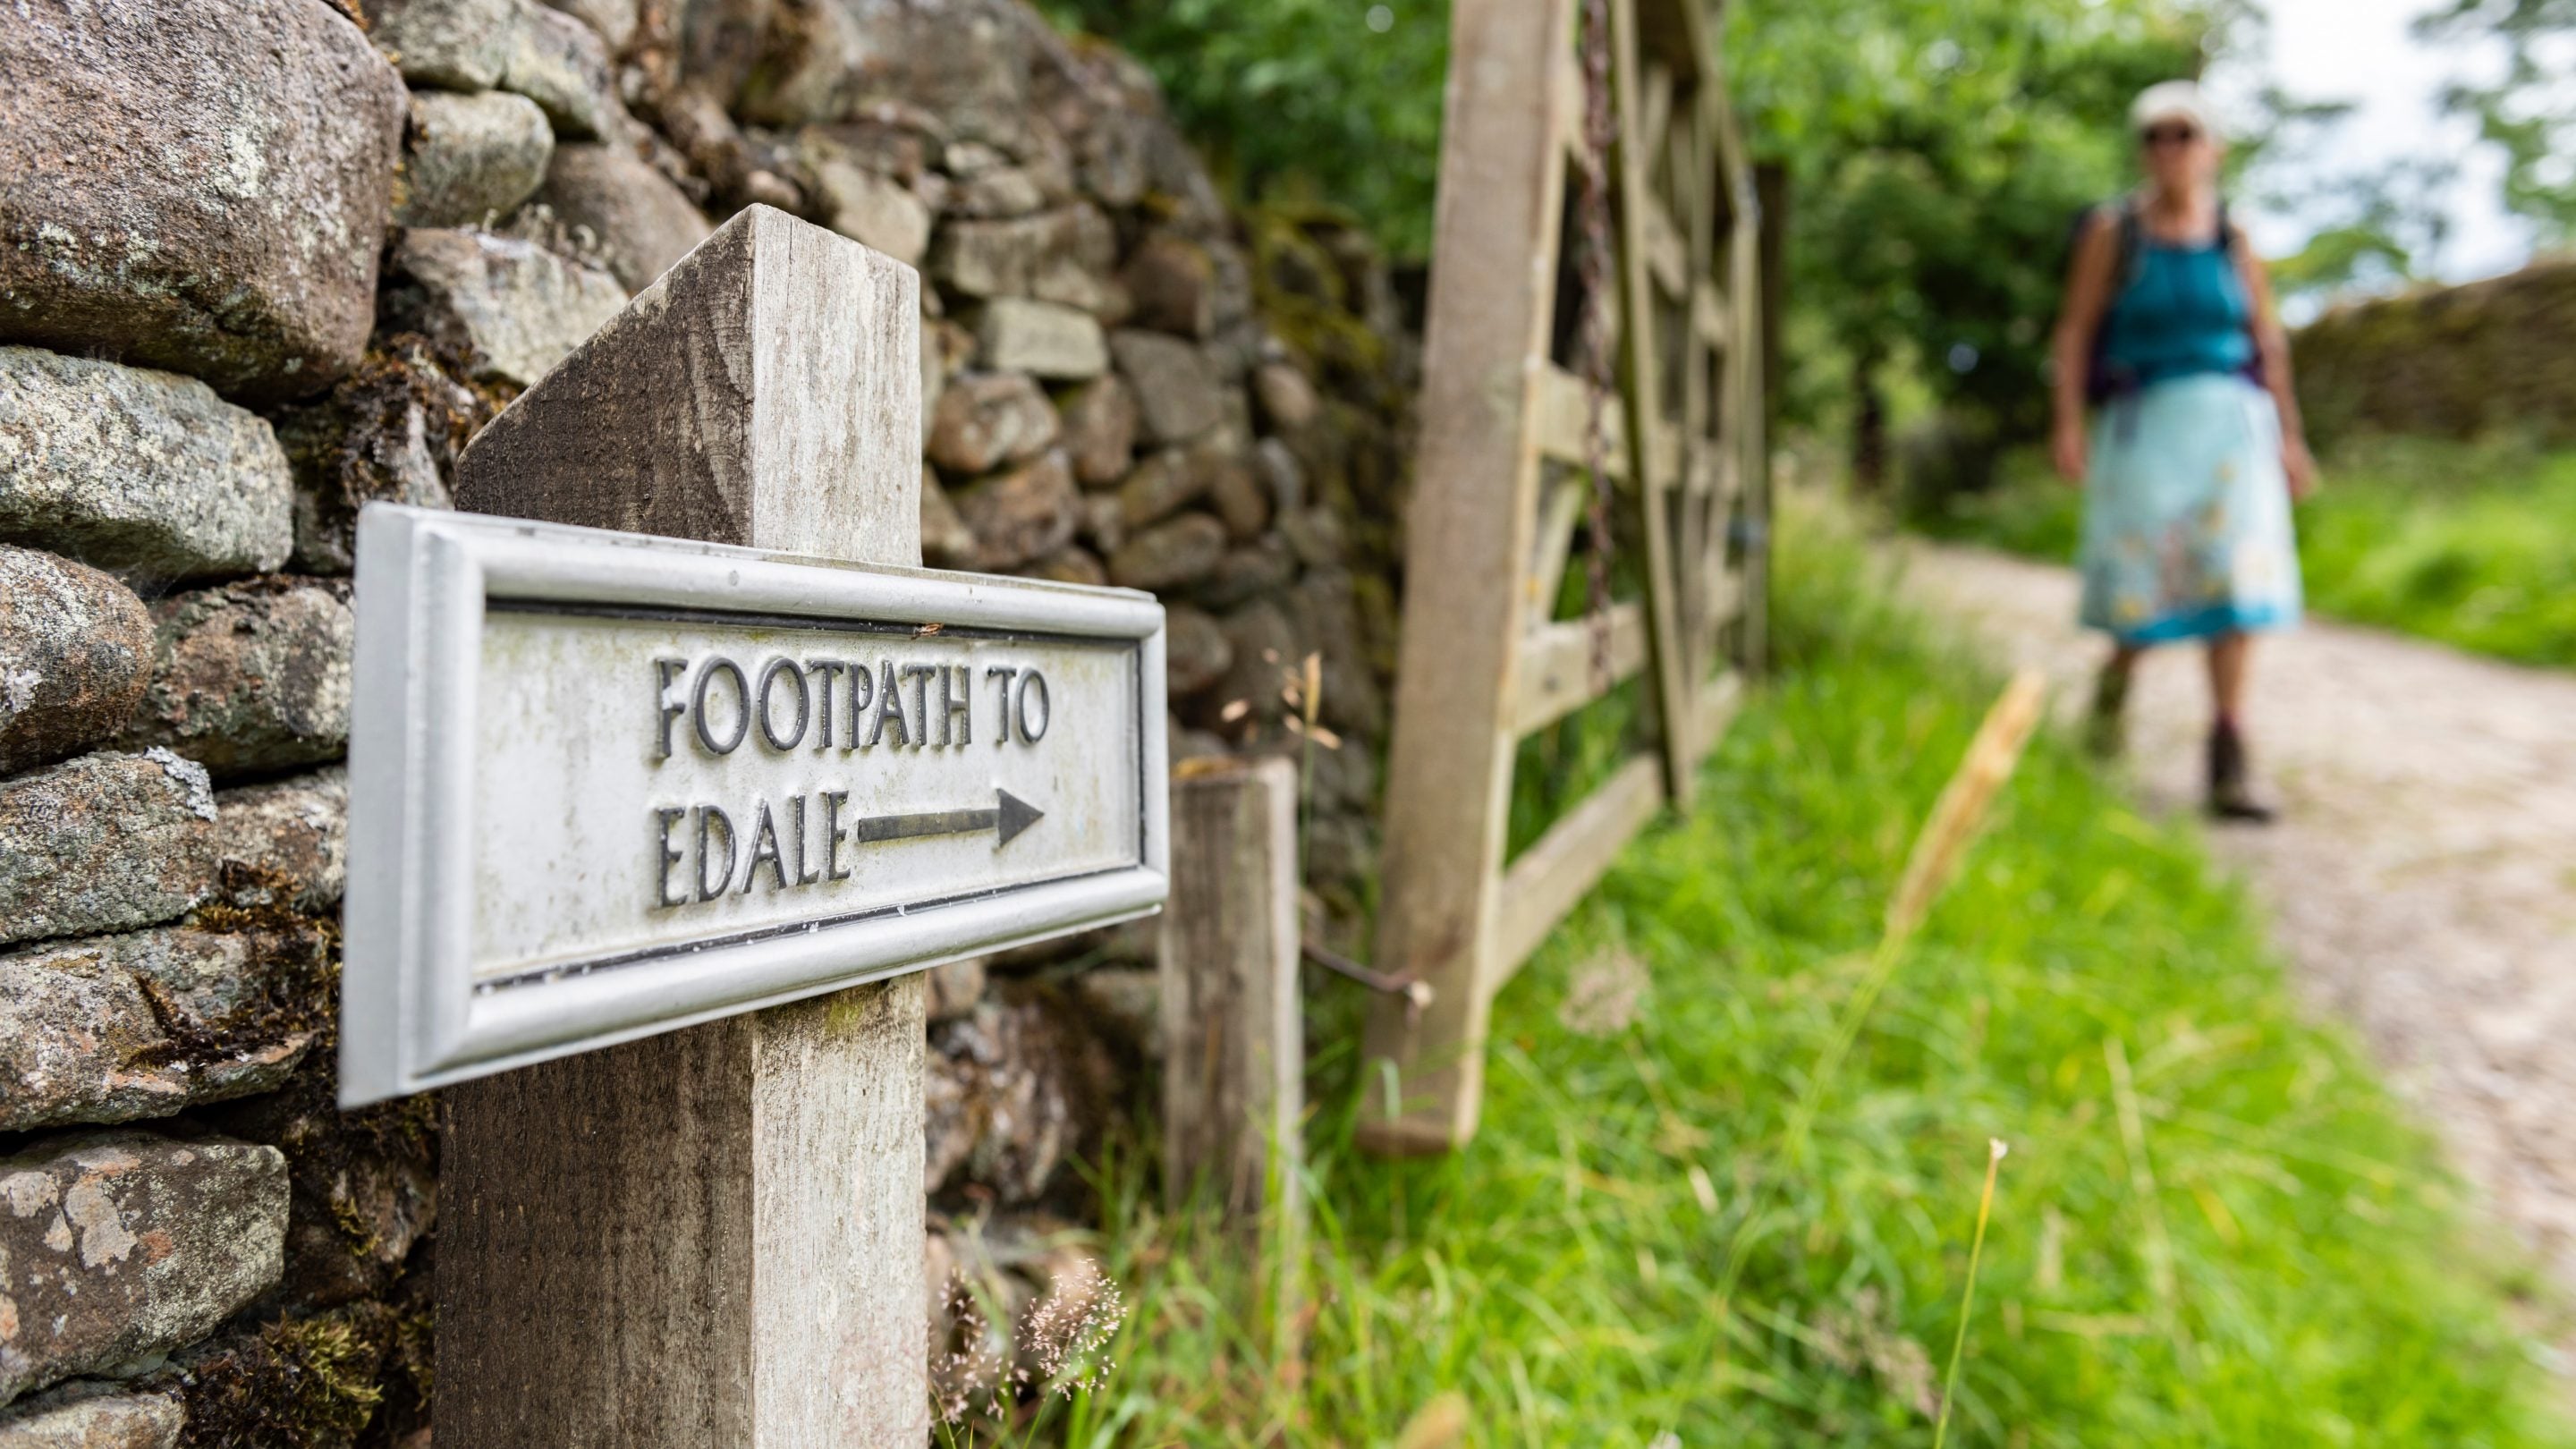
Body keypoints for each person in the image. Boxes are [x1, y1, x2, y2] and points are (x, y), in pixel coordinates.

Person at [2050, 80, 2316, 821]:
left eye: (2184, 134)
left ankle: (2229, 755)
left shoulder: (2235, 235)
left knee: (2235, 581)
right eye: (2155, 136)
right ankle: (2109, 710)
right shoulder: (2114, 231)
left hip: (2231, 426)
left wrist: (2292, 438)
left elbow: (2268, 341)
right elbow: (2074, 332)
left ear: (2213, 149)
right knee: (2140, 573)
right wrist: (2067, 424)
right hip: (2145, 424)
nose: (2170, 149)